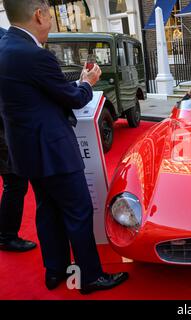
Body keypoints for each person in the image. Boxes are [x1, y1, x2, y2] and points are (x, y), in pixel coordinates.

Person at [0, 0, 128, 293]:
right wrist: (87, 82)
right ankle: (90, 277)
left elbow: (38, 95)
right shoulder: (33, 55)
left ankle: (55, 270)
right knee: (78, 210)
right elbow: (73, 98)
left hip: (25, 150)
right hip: (53, 150)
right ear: (38, 14)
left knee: (47, 210)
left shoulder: (5, 46)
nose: (52, 21)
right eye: (50, 15)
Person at [0, 26, 36, 253]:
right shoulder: (6, 42)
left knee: (14, 183)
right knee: (15, 184)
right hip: (4, 132)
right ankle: (6, 235)